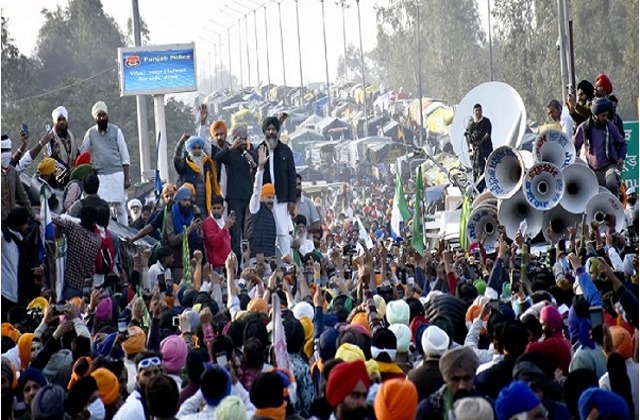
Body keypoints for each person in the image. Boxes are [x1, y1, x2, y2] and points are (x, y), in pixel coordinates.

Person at [80, 101, 131, 226]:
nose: (102, 118)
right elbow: (82, 153)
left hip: (117, 174)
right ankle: (108, 235)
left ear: (107, 115)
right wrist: (89, 168)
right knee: (104, 208)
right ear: (95, 118)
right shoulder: (90, 133)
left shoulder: (116, 131)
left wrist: (126, 177)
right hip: (101, 176)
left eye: (104, 115)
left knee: (120, 208)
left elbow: (125, 155)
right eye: (99, 116)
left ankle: (125, 235)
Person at [214, 124, 257, 260]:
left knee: (248, 234)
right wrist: (232, 147)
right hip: (235, 199)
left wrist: (252, 160)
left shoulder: (249, 154)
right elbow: (218, 157)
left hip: (248, 199)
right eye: (240, 139)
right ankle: (235, 265)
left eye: (245, 139)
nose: (243, 142)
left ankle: (248, 262)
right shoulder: (230, 153)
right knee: (236, 233)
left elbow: (257, 166)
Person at [573, 97, 627, 196]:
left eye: (607, 115)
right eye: (603, 116)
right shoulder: (584, 128)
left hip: (610, 166)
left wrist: (621, 158)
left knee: (611, 184)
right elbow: (573, 146)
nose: (605, 118)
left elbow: (622, 143)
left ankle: (613, 210)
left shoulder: (610, 127)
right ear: (595, 115)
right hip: (592, 170)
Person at [260, 116, 297, 255]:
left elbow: (292, 176)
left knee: (282, 232)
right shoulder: (260, 150)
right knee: (267, 231)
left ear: (277, 131)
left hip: (282, 199)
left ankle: (288, 265)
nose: (271, 132)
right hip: (264, 200)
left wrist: (292, 199)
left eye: (273, 129)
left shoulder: (285, 150)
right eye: (268, 129)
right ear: (264, 131)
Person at [173, 134, 220, 215]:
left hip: (205, 206)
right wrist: (181, 142)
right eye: (194, 148)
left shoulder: (207, 164)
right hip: (190, 206)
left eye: (199, 148)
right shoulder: (184, 163)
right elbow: (176, 159)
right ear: (189, 150)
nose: (197, 151)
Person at [245, 146, 277, 260]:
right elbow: (257, 189)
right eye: (268, 197)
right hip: (256, 258)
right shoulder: (255, 207)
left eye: (273, 198)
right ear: (262, 197)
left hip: (269, 258)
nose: (271, 201)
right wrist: (261, 167)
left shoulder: (271, 213)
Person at [114, 351, 164, 420]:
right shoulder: (133, 408)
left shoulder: (159, 397)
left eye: (156, 372)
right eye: (147, 374)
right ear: (137, 379)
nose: (153, 377)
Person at [1, 136, 34, 222]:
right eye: (2, 151)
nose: (5, 154)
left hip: (12, 222)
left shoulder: (12, 172)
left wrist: (33, 215)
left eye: (7, 150)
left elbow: (22, 196)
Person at [44, 106, 79, 185]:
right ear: (54, 122)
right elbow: (50, 160)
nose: (62, 122)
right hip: (56, 180)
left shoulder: (71, 136)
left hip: (71, 178)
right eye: (59, 120)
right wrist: (67, 169)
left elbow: (76, 153)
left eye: (63, 119)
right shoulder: (50, 138)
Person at [464, 104, 493, 189]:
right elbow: (469, 138)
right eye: (476, 111)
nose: (478, 112)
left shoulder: (486, 121)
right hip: (477, 152)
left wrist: (480, 142)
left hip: (486, 149)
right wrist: (471, 146)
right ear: (473, 112)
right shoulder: (472, 125)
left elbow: (487, 134)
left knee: (487, 167)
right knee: (477, 169)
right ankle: (478, 186)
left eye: (479, 110)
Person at [202, 195, 234, 271]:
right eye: (214, 208)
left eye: (218, 208)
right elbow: (214, 242)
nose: (216, 211)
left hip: (227, 264)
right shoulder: (208, 222)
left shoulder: (223, 221)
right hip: (216, 265)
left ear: (223, 209)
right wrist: (225, 228)